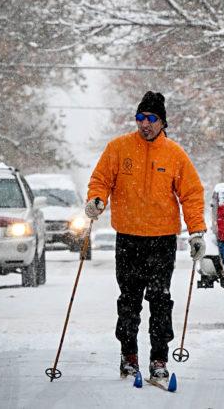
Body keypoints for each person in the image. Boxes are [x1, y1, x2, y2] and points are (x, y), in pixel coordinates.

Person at [84, 91, 207, 382]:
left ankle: (159, 360)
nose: (145, 124)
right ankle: (129, 357)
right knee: (129, 300)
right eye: (140, 118)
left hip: (162, 240)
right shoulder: (119, 148)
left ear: (162, 122)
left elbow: (191, 194)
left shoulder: (174, 154)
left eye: (151, 118)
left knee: (160, 299)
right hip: (128, 238)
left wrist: (196, 231)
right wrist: (97, 200)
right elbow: (101, 179)